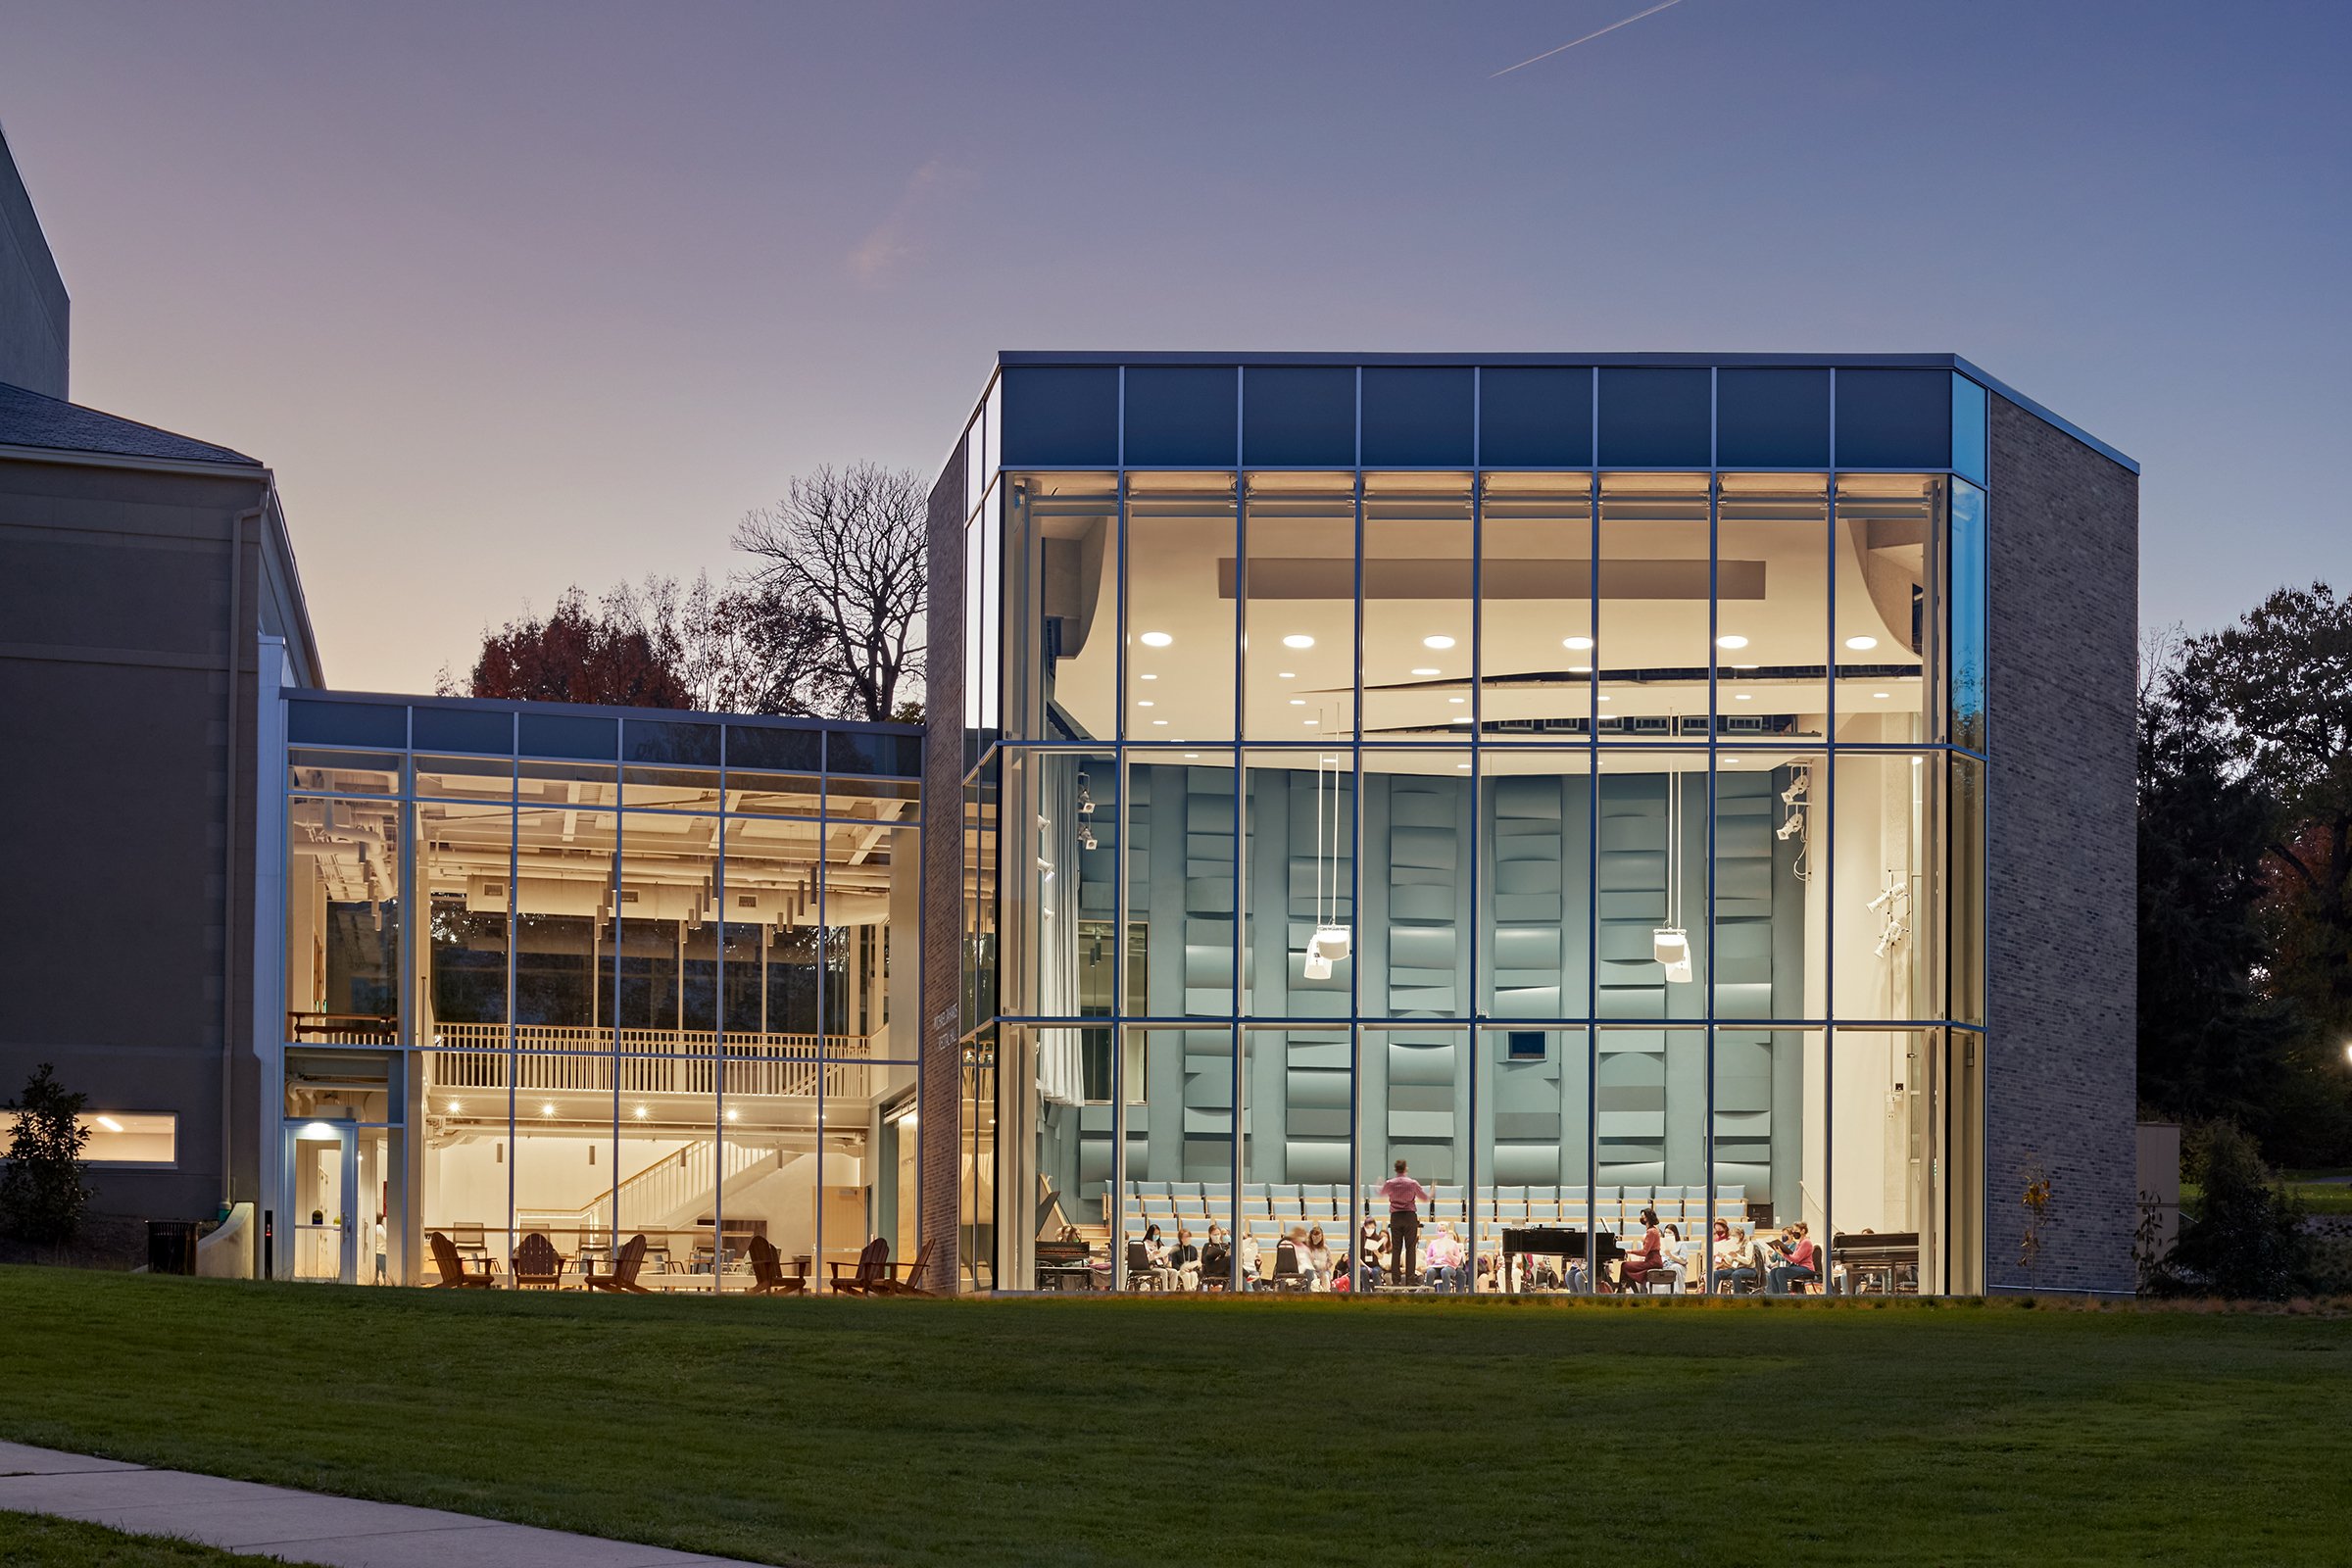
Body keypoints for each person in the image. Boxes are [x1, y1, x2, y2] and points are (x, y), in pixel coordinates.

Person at [1379, 1158, 1432, 1286]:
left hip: (1396, 1217)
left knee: (1396, 1249)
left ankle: (1396, 1281)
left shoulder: (1390, 1183)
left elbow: (1381, 1193)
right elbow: (1424, 1198)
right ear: (1406, 1168)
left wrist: (1380, 1183)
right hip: (1409, 1216)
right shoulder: (1412, 1183)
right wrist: (1431, 1193)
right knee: (1410, 1248)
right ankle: (1410, 1280)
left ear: (1395, 1169)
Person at [1614, 1205, 1665, 1293]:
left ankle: (1623, 1291)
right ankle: (1627, 1291)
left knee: (1625, 1266)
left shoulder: (1651, 1231)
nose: (1641, 1218)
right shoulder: (1653, 1230)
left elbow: (1644, 1252)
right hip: (1652, 1260)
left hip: (1653, 1261)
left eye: (1643, 1216)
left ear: (1647, 1218)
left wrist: (1629, 1251)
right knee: (1626, 1269)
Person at [1767, 1222, 1819, 1296]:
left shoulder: (1806, 1242)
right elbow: (1794, 1258)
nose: (1794, 1232)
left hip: (1807, 1269)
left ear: (1803, 1231)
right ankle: (1776, 1297)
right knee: (1773, 1271)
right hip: (1799, 1267)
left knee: (1780, 1272)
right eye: (1793, 1231)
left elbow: (1796, 1259)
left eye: (1796, 1230)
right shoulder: (1800, 1243)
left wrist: (1783, 1254)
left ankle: (1784, 1298)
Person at [1707, 1219, 1758, 1294]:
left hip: (1749, 1269)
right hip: (1735, 1268)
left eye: (1735, 1236)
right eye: (1732, 1236)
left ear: (1741, 1235)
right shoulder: (1733, 1245)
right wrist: (1724, 1256)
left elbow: (1748, 1261)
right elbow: (1731, 1262)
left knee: (1736, 1274)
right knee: (1716, 1274)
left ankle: (1737, 1296)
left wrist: (1737, 1256)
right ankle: (1712, 1294)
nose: (1733, 1238)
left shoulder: (1748, 1244)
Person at [1423, 1223, 1467, 1292]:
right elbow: (1427, 1260)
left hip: (1450, 1267)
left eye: (1443, 1230)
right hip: (1436, 1266)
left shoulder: (1453, 1244)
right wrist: (1433, 1258)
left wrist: (1451, 1256)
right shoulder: (1432, 1244)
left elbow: (1457, 1261)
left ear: (1447, 1231)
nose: (1441, 1232)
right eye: (1439, 1230)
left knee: (1445, 1271)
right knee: (1430, 1272)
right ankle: (1429, 1293)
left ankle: (1446, 1294)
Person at [1358, 1217, 1389, 1290]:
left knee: (1375, 1271)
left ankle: (1378, 1292)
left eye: (1372, 1227)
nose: (1370, 1229)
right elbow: (1357, 1257)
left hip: (1375, 1265)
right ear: (1364, 1227)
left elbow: (1381, 1257)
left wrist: (1377, 1252)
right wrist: (1367, 1267)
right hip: (1362, 1265)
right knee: (1363, 1270)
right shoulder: (1360, 1239)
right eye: (1368, 1227)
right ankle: (1366, 1291)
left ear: (1375, 1227)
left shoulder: (1377, 1238)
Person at [1169, 1226, 1202, 1291]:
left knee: (1193, 1274)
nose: (1188, 1238)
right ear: (1181, 1238)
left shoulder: (1193, 1249)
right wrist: (1182, 1269)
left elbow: (1195, 1262)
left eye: (1189, 1236)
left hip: (1191, 1270)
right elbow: (1174, 1264)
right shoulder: (1176, 1249)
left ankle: (1193, 1290)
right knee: (1186, 1275)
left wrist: (1194, 1267)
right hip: (1180, 1270)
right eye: (1185, 1237)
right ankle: (1188, 1290)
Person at [1200, 1224, 1232, 1290]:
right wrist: (1212, 1257)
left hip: (1223, 1269)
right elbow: (1203, 1260)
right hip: (1211, 1269)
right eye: (1214, 1234)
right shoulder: (1207, 1245)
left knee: (1233, 1260)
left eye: (1218, 1234)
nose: (1217, 1236)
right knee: (1230, 1260)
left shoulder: (1224, 1245)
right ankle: (1246, 1274)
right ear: (1210, 1235)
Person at [1302, 1224, 1334, 1290]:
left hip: (1324, 1270)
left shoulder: (1325, 1248)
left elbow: (1330, 1262)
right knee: (1313, 1277)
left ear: (1321, 1237)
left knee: (1325, 1276)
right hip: (1312, 1270)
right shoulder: (1307, 1248)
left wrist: (1325, 1267)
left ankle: (1325, 1293)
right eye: (1314, 1237)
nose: (1316, 1239)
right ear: (1311, 1237)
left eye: (1319, 1237)